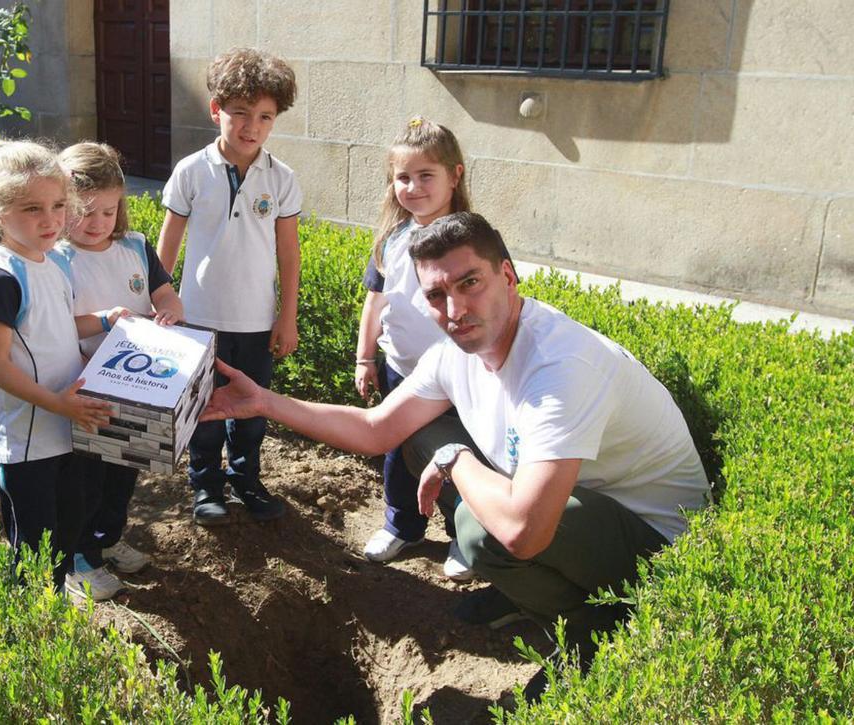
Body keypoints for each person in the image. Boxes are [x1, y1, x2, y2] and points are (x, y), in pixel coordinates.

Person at [201, 212, 710, 699]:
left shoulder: (560, 369)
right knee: (429, 444)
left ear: (507, 276)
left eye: (470, 283)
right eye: (436, 295)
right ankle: (540, 598)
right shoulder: (456, 354)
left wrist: (455, 459)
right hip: (587, 510)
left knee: (480, 527)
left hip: (662, 548)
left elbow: (525, 531)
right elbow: (377, 428)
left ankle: (593, 633)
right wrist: (264, 402)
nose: (455, 310)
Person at [0, 139, 122, 592]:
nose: (50, 220)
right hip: (28, 440)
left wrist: (104, 319)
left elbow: (56, 327)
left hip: (67, 425)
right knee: (34, 550)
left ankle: (52, 610)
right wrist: (58, 403)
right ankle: (31, 621)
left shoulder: (51, 262)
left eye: (57, 205)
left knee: (68, 527)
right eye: (32, 209)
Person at [156, 47, 301, 525]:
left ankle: (247, 479)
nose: (251, 126)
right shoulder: (190, 171)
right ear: (216, 109)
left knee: (251, 411)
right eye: (240, 112)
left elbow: (289, 253)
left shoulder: (282, 179)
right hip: (198, 319)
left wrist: (286, 317)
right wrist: (156, 304)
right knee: (203, 409)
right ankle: (205, 486)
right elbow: (168, 244)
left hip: (255, 322)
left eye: (264, 117)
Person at [55, 141, 185, 600]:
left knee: (123, 474)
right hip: (84, 388)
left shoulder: (135, 247)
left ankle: (108, 538)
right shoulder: (55, 259)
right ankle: (79, 557)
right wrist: (102, 323)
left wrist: (170, 311)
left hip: (136, 386)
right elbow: (54, 328)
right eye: (85, 212)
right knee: (84, 480)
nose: (97, 223)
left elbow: (163, 292)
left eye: (108, 212)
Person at [356, 117, 474, 578]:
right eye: (403, 177)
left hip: (458, 376)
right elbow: (375, 301)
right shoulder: (393, 238)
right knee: (398, 451)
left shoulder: (471, 239)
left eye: (427, 175)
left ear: (455, 175)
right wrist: (365, 357)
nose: (414, 187)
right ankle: (402, 525)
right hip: (401, 371)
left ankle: (464, 534)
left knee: (459, 456)